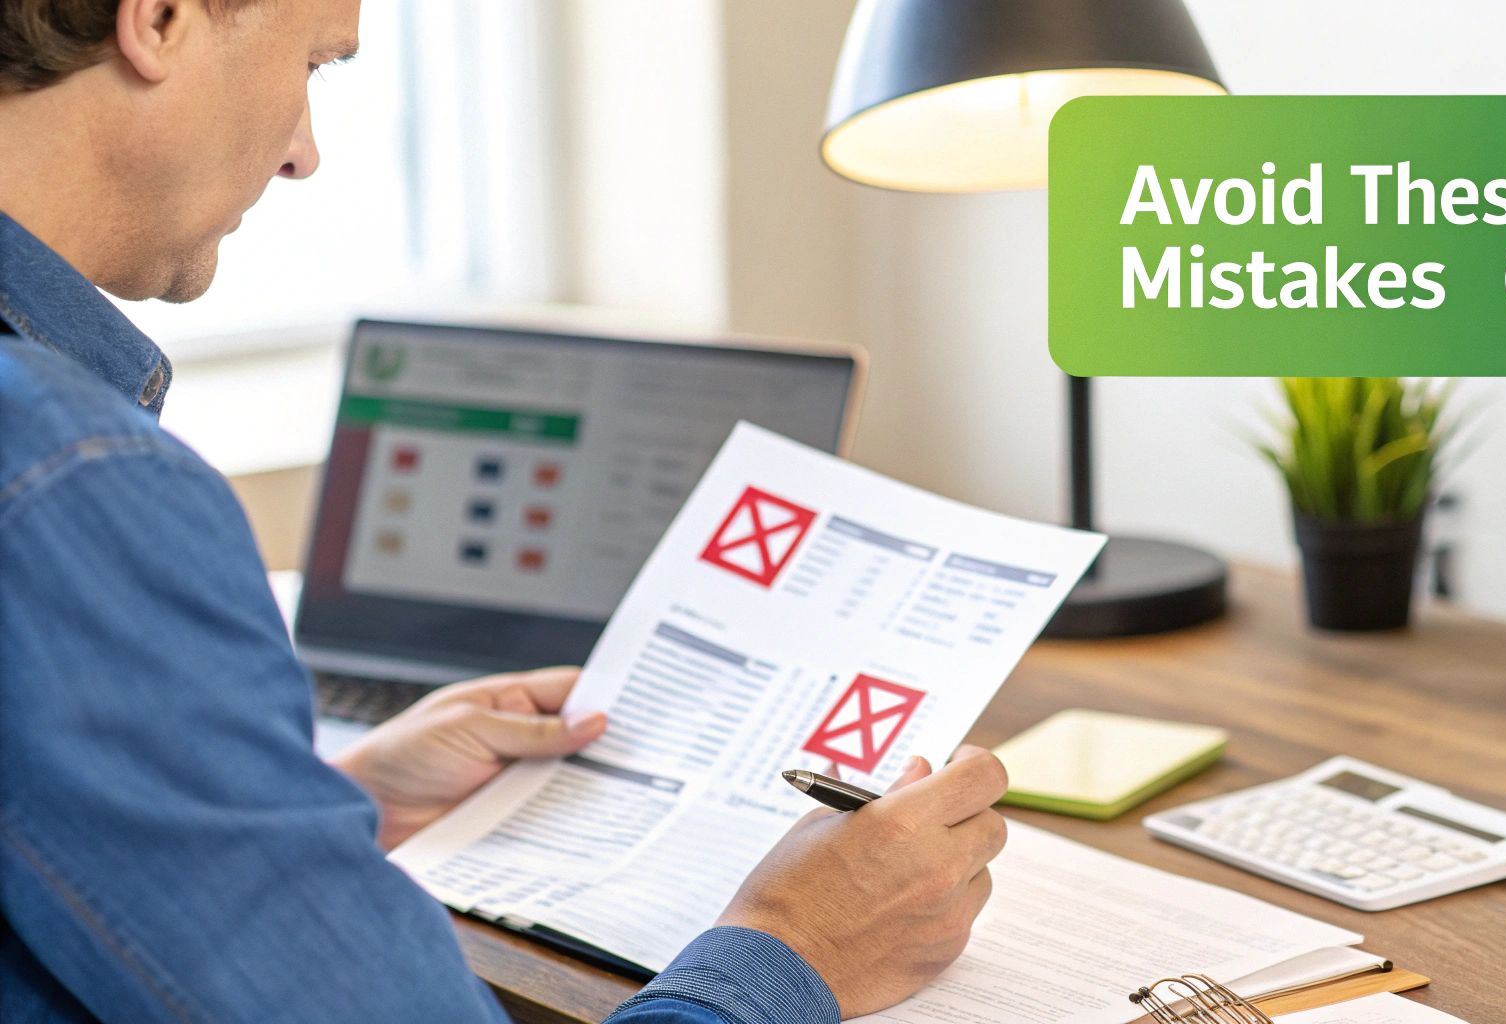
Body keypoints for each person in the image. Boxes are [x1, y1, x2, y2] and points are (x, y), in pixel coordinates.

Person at [0, 1, 1010, 1021]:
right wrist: (797, 946)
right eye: (313, 61)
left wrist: (325, 810)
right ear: (161, 18)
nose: (305, 152)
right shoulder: (72, 485)